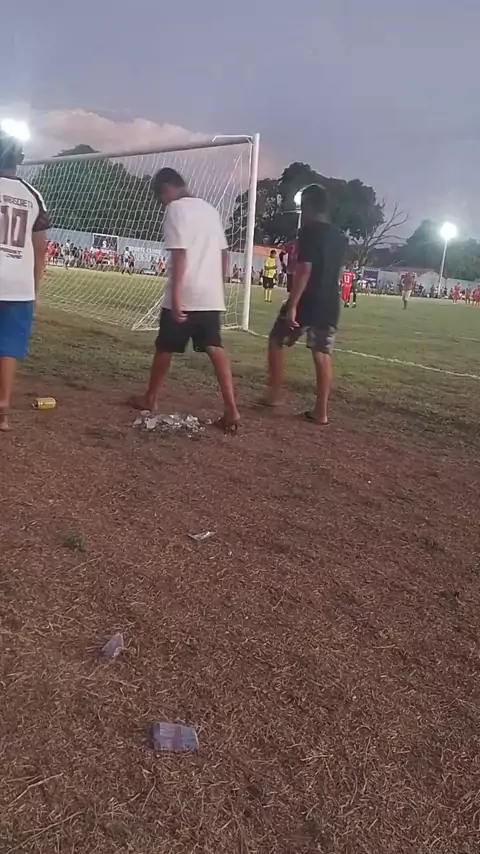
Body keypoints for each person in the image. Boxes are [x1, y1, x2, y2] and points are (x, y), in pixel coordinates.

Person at [128, 167, 240, 432]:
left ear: (166, 190)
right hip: (210, 293)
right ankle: (231, 409)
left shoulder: (175, 209)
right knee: (214, 346)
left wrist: (177, 296)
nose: (163, 203)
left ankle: (150, 397)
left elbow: (179, 254)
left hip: (186, 292)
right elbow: (224, 254)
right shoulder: (210, 210)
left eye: (161, 198)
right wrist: (217, 286)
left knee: (165, 347)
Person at [260, 184, 347, 425]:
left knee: (276, 340)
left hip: (307, 300)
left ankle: (274, 395)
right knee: (322, 353)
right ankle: (321, 411)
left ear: (308, 207)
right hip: (329, 302)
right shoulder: (340, 237)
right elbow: (339, 272)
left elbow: (304, 270)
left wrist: (293, 304)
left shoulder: (308, 232)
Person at [0, 127, 49, 431]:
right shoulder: (34, 195)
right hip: (19, 285)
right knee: (8, 349)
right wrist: (35, 287)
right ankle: (3, 411)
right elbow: (40, 249)